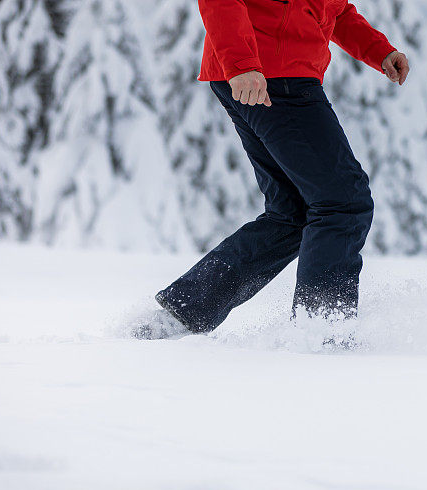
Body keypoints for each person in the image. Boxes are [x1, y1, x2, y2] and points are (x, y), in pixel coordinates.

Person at [140, 0, 409, 339]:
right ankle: (322, 333)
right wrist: (241, 64)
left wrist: (378, 50)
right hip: (270, 76)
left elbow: (335, 10)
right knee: (343, 202)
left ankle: (183, 314)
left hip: (272, 74)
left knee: (292, 212)